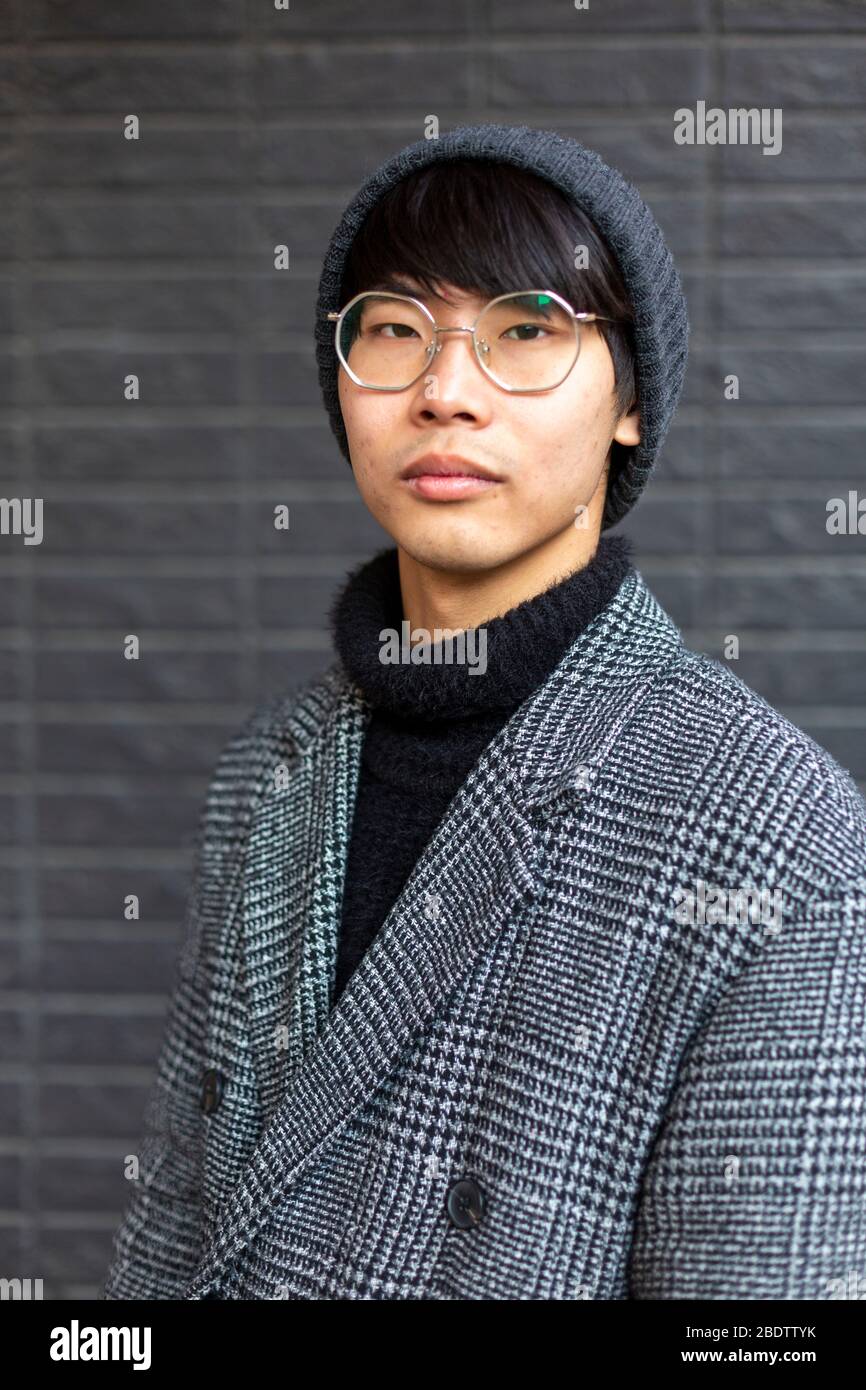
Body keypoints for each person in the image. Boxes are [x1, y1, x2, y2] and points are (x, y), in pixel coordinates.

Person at [102, 123, 866, 1301]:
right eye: (395, 332)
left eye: (525, 333)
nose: (444, 392)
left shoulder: (774, 832)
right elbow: (171, 1232)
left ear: (629, 402)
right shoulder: (273, 763)